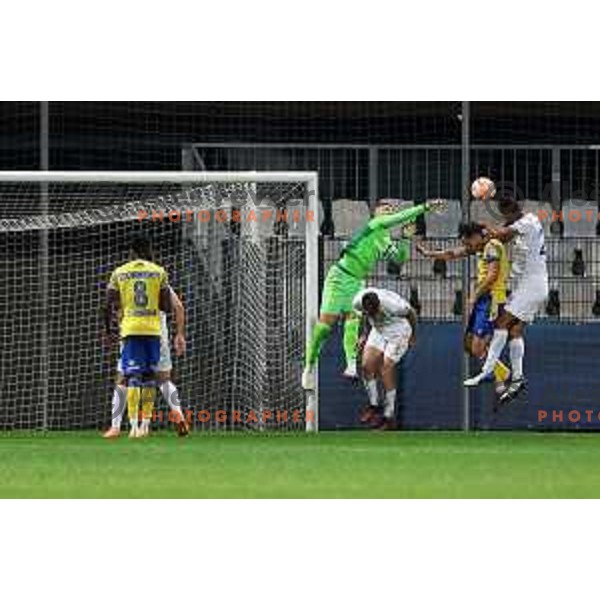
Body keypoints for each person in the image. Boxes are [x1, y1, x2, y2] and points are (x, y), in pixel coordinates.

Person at [302, 198, 446, 390]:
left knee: (352, 323)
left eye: (391, 209)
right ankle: (309, 366)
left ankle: (351, 365)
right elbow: (399, 218)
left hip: (356, 282)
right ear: (375, 212)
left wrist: (404, 238)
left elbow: (400, 258)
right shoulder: (374, 225)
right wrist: (424, 208)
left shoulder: (385, 241)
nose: (389, 211)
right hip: (339, 277)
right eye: (385, 208)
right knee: (324, 328)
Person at [464, 195, 549, 404]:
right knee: (514, 331)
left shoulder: (526, 223)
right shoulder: (528, 221)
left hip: (532, 284)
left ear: (509, 213)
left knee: (502, 322)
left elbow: (501, 234)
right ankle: (518, 379)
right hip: (534, 284)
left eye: (505, 215)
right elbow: (504, 233)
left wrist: (483, 225)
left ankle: (487, 371)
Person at [416, 222, 511, 395]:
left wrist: (474, 295)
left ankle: (500, 376)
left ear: (476, 236)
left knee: (477, 347)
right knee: (469, 345)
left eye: (468, 243)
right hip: (484, 299)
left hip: (492, 299)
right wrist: (429, 253)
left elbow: (492, 275)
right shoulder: (482, 247)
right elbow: (452, 253)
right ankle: (500, 373)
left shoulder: (491, 247)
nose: (467, 247)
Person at [104, 235, 171, 439]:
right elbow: (166, 306)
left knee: (130, 376)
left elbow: (108, 304)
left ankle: (131, 427)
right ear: (149, 251)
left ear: (131, 253)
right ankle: (145, 426)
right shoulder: (159, 272)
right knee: (150, 377)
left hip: (130, 329)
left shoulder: (120, 272)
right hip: (152, 329)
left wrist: (109, 330)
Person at [103, 285, 189, 439]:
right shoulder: (160, 279)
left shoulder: (127, 278)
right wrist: (180, 335)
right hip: (157, 332)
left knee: (123, 379)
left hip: (133, 331)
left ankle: (117, 427)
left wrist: (114, 329)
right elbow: (179, 307)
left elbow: (117, 309)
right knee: (162, 379)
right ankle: (176, 416)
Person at [353, 288, 417, 430]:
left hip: (398, 331)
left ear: (379, 306)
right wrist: (364, 334)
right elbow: (364, 317)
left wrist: (413, 336)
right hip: (378, 330)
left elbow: (412, 313)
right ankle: (374, 406)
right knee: (366, 365)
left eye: (374, 312)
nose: (371, 314)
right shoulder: (358, 302)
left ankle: (389, 416)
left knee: (386, 368)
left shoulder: (393, 306)